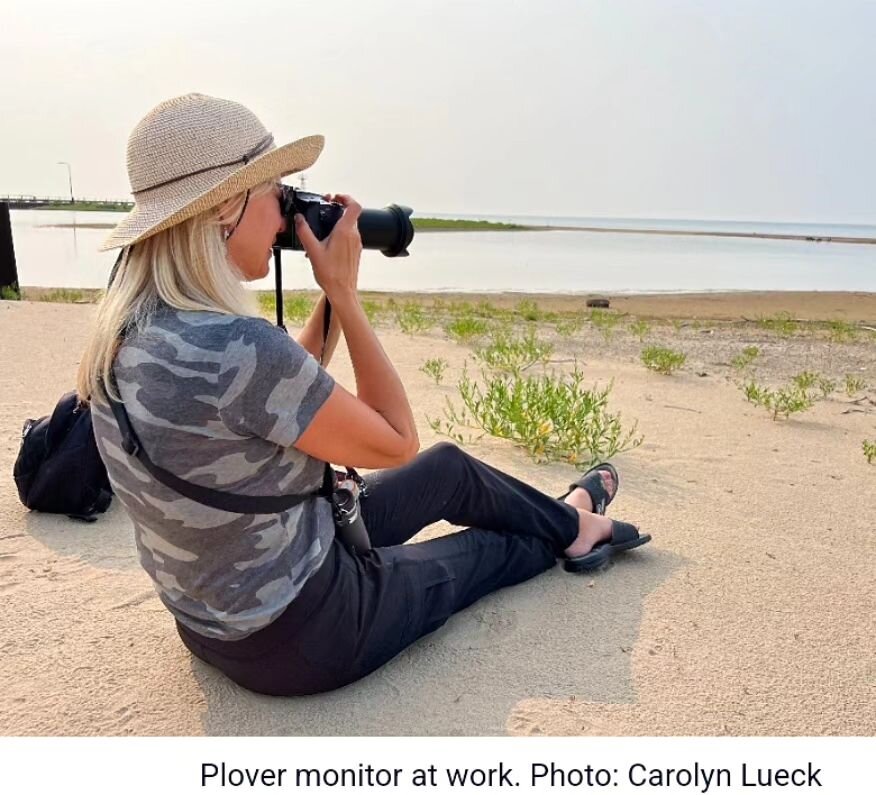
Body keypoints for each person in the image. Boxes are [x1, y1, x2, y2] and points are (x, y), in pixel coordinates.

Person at [78, 93, 651, 696]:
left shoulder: (128, 332)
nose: (283, 219)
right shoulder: (237, 349)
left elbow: (274, 392)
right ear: (226, 207)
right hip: (304, 635)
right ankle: (574, 522)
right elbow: (396, 441)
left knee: (450, 469)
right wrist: (348, 296)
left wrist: (331, 292)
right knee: (488, 551)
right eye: (278, 194)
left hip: (210, 621)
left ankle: (571, 521)